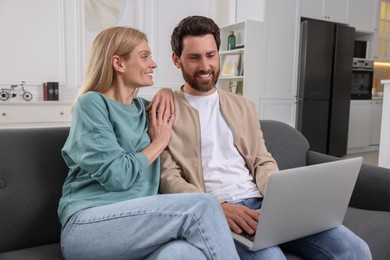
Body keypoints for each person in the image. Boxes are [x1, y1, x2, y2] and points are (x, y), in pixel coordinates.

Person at [159, 15, 372, 260]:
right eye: (194, 57)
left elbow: (262, 159)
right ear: (177, 60)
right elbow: (168, 177)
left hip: (265, 203)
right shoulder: (164, 111)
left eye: (211, 55)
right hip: (218, 209)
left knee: (356, 250)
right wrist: (215, 207)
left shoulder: (244, 106)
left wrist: (278, 193)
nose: (205, 66)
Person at [57, 26, 240, 260]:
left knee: (184, 253)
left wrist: (167, 92)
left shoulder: (145, 109)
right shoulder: (91, 104)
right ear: (118, 63)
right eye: (145, 56)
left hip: (140, 227)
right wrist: (159, 142)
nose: (153, 64)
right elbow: (118, 176)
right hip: (89, 224)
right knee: (202, 206)